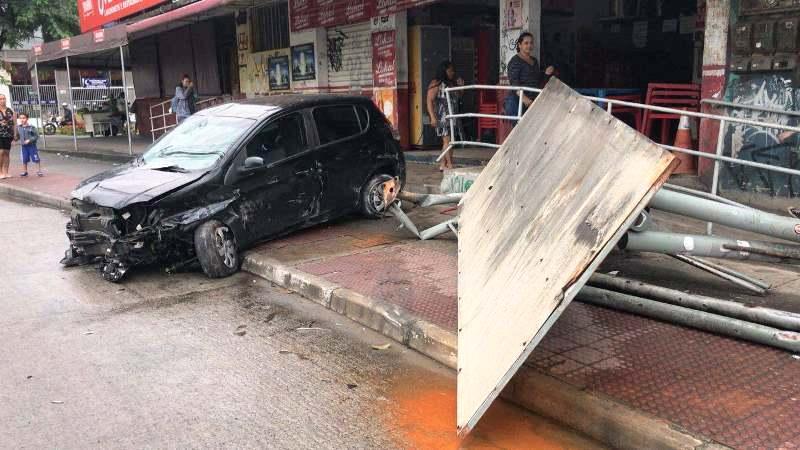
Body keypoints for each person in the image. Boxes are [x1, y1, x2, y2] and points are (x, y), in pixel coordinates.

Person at [504, 31, 555, 118]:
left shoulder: (534, 61)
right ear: (519, 45)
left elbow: (538, 80)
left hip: (533, 99)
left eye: (531, 43)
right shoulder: (515, 62)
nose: (529, 45)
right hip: (518, 102)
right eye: (526, 43)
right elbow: (514, 84)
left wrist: (546, 73)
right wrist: (525, 100)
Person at [427, 61, 464, 172]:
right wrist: (432, 117)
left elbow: (458, 96)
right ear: (444, 71)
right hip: (443, 117)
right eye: (450, 70)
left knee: (448, 141)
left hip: (452, 116)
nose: (452, 72)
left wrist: (461, 87)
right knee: (447, 141)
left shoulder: (450, 83)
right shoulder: (436, 83)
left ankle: (443, 164)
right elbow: (429, 100)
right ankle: (450, 164)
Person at [17, 113, 42, 177]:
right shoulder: (19, 127)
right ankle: (25, 172)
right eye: (21, 118)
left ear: (27, 119)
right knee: (24, 159)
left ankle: (39, 171)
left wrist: (30, 140)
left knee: (35, 158)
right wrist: (14, 140)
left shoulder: (31, 127)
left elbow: (37, 136)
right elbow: (17, 136)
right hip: (23, 147)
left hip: (32, 146)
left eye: (24, 118)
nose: (22, 119)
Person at [0, 94, 15, 179]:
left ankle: (6, 172)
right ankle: (0, 172)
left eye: (4, 98)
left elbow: (14, 123)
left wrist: (15, 134)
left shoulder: (10, 110)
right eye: (1, 99)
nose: (2, 100)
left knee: (7, 153)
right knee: (1, 152)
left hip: (8, 134)